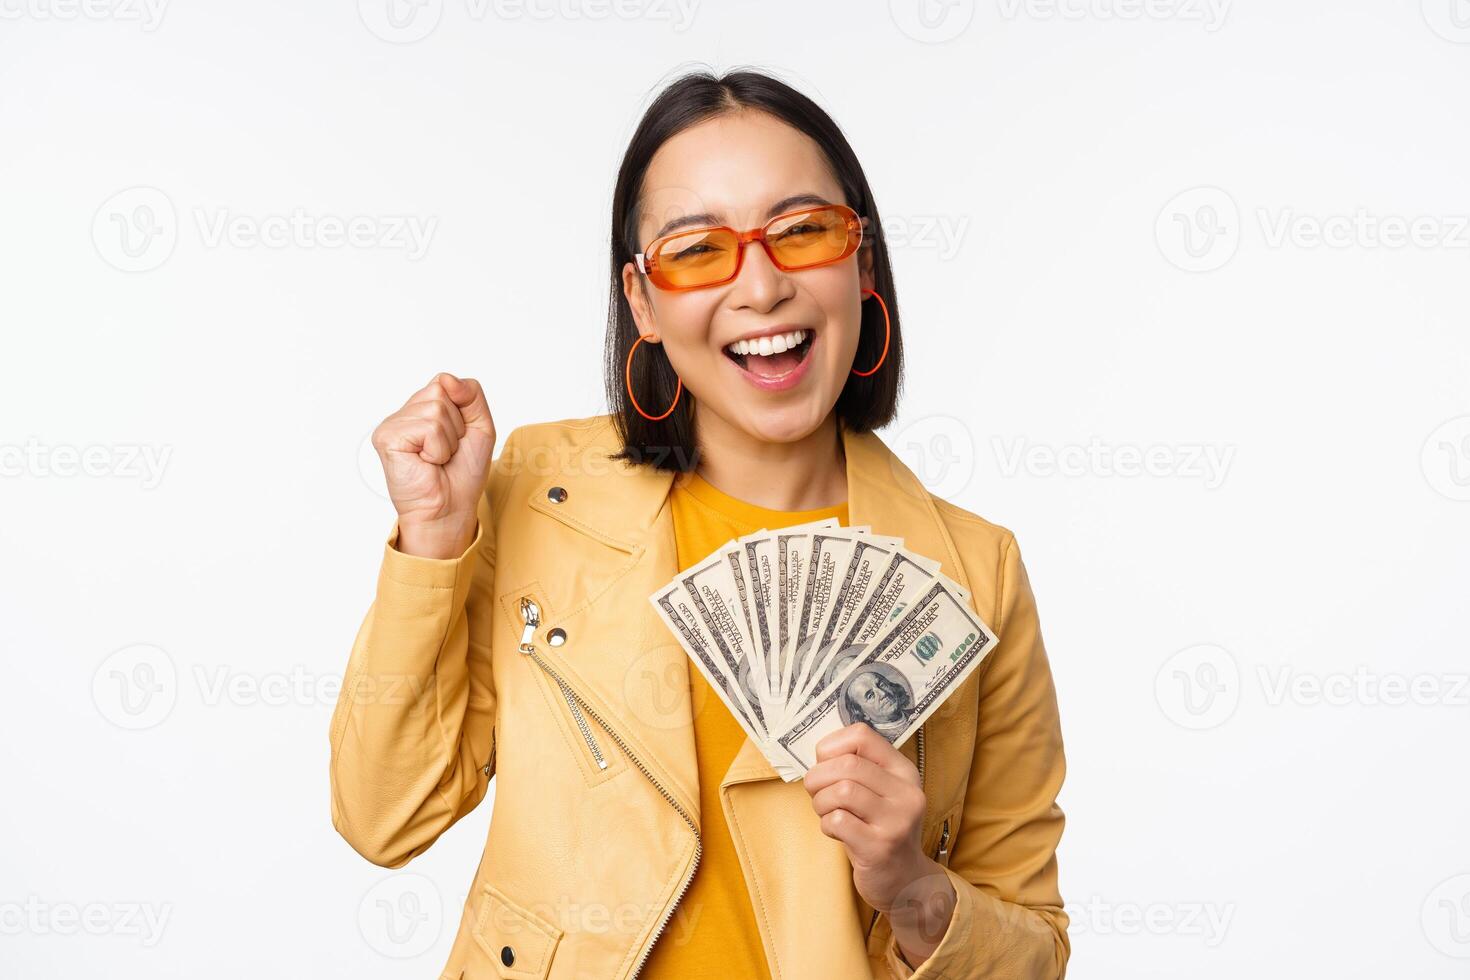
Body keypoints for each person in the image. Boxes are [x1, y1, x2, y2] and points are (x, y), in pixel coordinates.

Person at [328, 67, 1069, 979]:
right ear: (641, 301)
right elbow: (385, 816)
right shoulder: (539, 494)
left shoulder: (975, 571)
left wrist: (912, 887)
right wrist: (433, 545)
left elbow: (1036, 946)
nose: (760, 287)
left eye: (802, 232)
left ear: (862, 262)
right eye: (695, 249)